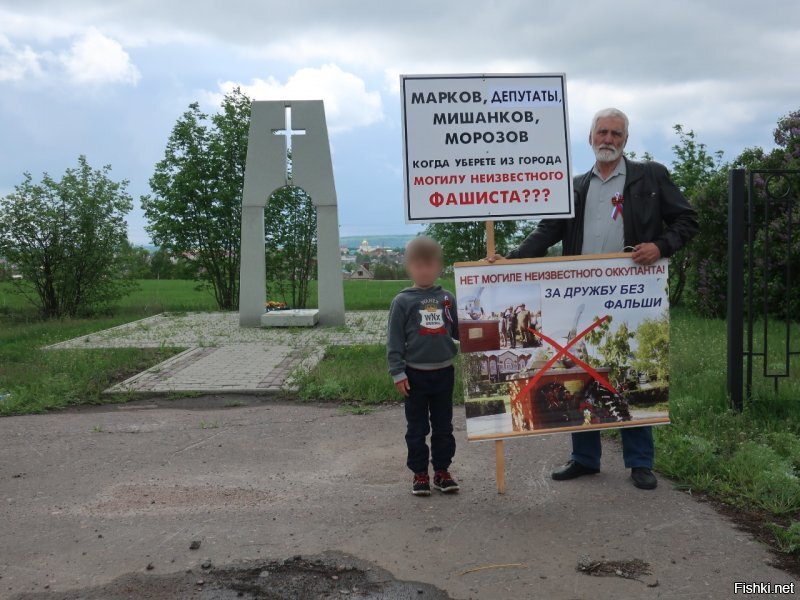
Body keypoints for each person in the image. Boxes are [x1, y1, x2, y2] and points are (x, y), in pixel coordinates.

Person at [489, 107, 698, 490]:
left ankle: (640, 462)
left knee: (626, 365)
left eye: (616, 134)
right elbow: (547, 230)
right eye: (602, 132)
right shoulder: (575, 186)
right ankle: (585, 458)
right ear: (589, 138)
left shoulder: (650, 177)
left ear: (626, 140)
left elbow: (688, 220)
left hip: (632, 294)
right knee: (578, 369)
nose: (609, 139)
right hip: (580, 295)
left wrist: (661, 245)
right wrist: (512, 260)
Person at [387, 236, 460, 496]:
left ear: (438, 267)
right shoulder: (402, 302)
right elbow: (394, 340)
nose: (424, 270)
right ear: (409, 267)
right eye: (418, 266)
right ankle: (419, 474)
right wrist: (397, 372)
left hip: (444, 373)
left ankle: (442, 471)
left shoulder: (447, 299)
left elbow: (460, 330)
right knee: (417, 428)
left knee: (444, 427)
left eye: (429, 265)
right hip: (414, 376)